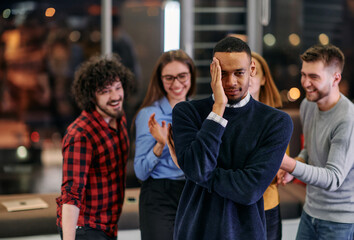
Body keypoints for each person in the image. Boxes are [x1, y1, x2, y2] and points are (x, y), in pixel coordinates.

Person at [171, 36, 293, 240]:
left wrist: (200, 174)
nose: (230, 82)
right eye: (223, 74)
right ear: (213, 71)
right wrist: (218, 109)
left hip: (246, 233)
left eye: (239, 73)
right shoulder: (186, 112)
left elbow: (249, 190)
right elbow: (199, 168)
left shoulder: (276, 122)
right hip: (195, 230)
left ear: (252, 69)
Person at [279, 44, 354, 239]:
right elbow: (308, 150)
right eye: (304, 74)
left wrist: (289, 164)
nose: (305, 83)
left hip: (339, 221)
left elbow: (333, 178)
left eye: (314, 77)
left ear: (336, 78)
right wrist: (295, 167)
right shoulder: (308, 105)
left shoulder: (347, 119)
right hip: (310, 211)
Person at [56, 54, 134, 240]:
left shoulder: (119, 118)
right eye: (105, 91)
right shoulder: (80, 135)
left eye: (117, 87)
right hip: (84, 228)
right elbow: (71, 194)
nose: (115, 96)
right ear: (91, 95)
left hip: (108, 225)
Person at [133, 49, 196, 240]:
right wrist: (160, 144)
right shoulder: (149, 115)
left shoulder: (199, 112)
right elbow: (141, 172)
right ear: (160, 80)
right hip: (159, 194)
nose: (176, 84)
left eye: (182, 76)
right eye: (168, 78)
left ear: (191, 76)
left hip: (192, 192)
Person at [249, 51, 283, 240]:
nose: (250, 76)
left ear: (263, 79)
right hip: (235, 204)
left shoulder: (277, 120)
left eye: (255, 71)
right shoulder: (224, 114)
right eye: (245, 71)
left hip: (267, 204)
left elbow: (277, 167)